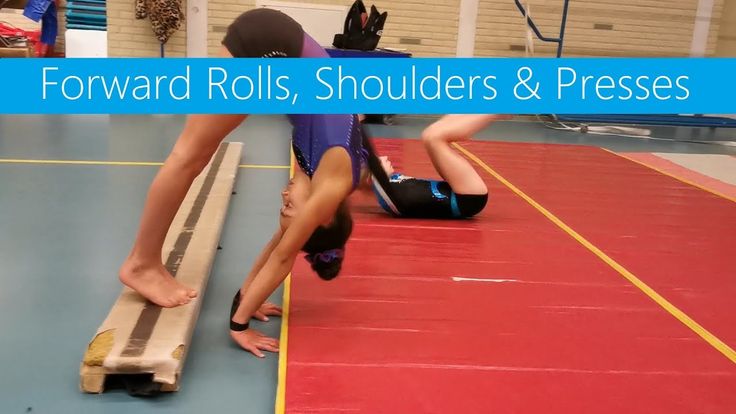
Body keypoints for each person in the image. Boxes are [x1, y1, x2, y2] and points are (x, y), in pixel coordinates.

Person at [117, 8, 366, 356]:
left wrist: (248, 298)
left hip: (279, 43)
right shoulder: (330, 184)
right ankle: (141, 264)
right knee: (189, 155)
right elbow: (283, 257)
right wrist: (240, 326)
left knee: (196, 155)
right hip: (270, 45)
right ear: (321, 216)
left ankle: (145, 262)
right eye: (288, 206)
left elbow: (278, 246)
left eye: (284, 207)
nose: (284, 196)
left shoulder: (326, 185)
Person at [365, 114, 512, 219]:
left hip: (459, 192)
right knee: (434, 136)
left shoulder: (386, 188)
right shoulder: (387, 193)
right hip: (467, 197)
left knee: (431, 135)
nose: (384, 157)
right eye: (379, 162)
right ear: (374, 176)